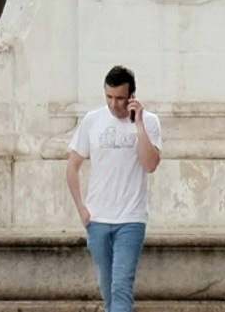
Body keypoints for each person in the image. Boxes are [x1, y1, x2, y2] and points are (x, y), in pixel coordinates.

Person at [66, 65, 161, 312]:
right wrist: (82, 210)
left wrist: (138, 124)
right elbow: (72, 167)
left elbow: (150, 165)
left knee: (121, 289)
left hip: (131, 220)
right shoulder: (92, 120)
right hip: (97, 220)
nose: (114, 103)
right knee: (109, 293)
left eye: (120, 98)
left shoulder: (150, 122)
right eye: (109, 96)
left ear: (132, 96)